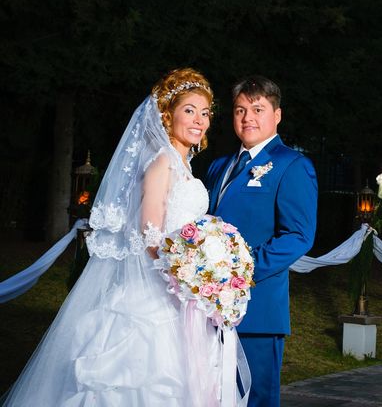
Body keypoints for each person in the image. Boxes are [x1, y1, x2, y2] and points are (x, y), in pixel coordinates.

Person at [4, 68, 249, 406]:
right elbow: (149, 234)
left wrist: (209, 269)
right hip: (155, 296)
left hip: (182, 296)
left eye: (205, 112)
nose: (200, 120)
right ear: (168, 114)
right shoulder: (162, 162)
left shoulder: (184, 164)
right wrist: (188, 275)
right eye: (189, 110)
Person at [205, 75, 318, 407]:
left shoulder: (293, 165)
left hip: (257, 308)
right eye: (240, 110)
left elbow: (299, 236)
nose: (248, 118)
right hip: (209, 308)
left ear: (277, 115)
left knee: (255, 399)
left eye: (258, 109)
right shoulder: (218, 166)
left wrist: (239, 271)